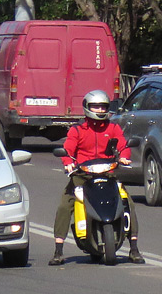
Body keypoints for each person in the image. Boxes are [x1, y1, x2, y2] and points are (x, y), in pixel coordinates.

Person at [50, 90, 144, 266]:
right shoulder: (77, 129)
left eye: (103, 107)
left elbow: (123, 146)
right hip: (81, 175)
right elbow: (68, 149)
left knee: (127, 203)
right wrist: (68, 162)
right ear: (87, 107)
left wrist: (124, 156)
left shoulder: (113, 128)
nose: (100, 110)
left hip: (107, 173)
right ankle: (58, 250)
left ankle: (134, 248)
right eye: (96, 106)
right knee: (65, 205)